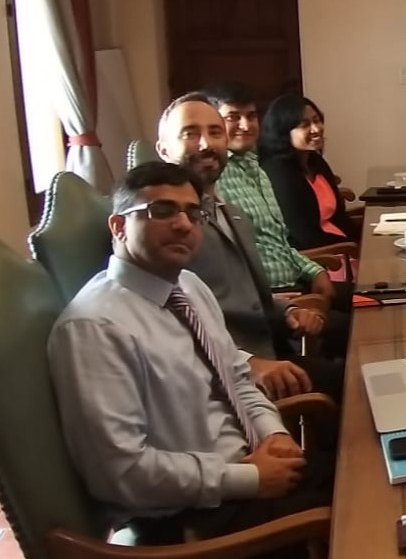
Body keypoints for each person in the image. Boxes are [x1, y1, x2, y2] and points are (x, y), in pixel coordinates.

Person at [48, 162, 332, 544]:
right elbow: (119, 471)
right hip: (194, 516)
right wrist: (250, 478)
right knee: (365, 511)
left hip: (253, 469)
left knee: (372, 467)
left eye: (193, 213)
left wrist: (273, 433)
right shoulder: (94, 327)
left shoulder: (189, 286)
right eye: (162, 211)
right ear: (118, 226)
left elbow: (237, 377)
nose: (183, 224)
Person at [156, 94, 344, 400]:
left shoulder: (230, 212)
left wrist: (289, 310)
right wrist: (247, 362)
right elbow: (164, 322)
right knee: (358, 386)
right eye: (190, 133)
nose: (206, 144)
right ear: (163, 149)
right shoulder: (163, 225)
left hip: (271, 347)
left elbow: (249, 295)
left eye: (215, 133)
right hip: (229, 376)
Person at [199, 82, 336, 299]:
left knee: (379, 298)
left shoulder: (257, 168)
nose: (246, 125)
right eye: (233, 117)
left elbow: (279, 242)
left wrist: (315, 272)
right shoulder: (213, 178)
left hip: (297, 283)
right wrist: (284, 305)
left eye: (251, 116)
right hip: (273, 298)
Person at [258, 94, 359, 249]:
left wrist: (363, 241)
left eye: (317, 120)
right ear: (283, 132)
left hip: (341, 245)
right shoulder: (279, 174)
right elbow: (304, 237)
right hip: (320, 255)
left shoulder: (315, 161)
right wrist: (353, 247)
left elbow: (339, 216)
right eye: (304, 125)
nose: (316, 129)